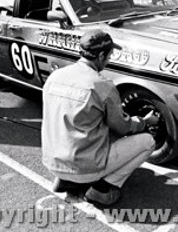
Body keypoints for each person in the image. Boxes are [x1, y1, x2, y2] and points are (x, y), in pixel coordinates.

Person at [42, 29, 158, 206]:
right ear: (101, 55)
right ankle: (102, 189)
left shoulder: (55, 76)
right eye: (110, 55)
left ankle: (66, 179)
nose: (110, 60)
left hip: (53, 160)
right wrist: (144, 122)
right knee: (148, 142)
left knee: (88, 128)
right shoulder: (101, 85)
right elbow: (123, 127)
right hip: (83, 165)